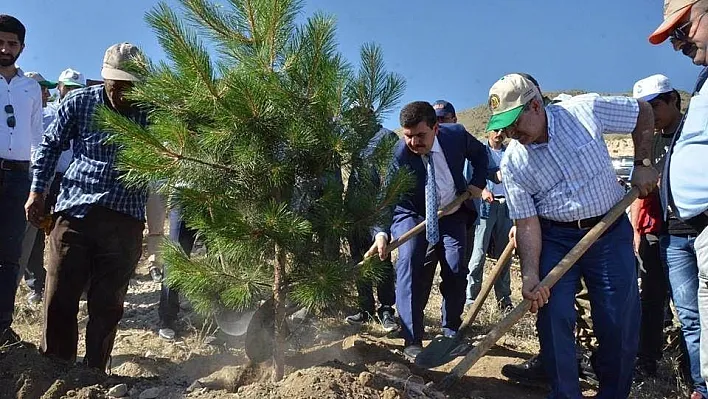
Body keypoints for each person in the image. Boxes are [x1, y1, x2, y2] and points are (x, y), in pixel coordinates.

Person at [490, 73, 656, 398]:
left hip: (608, 234)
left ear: (535, 105)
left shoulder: (585, 110)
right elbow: (526, 224)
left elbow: (643, 113)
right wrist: (530, 276)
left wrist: (643, 162)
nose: (510, 134)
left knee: (616, 319)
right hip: (555, 238)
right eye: (504, 127)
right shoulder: (513, 163)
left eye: (514, 123)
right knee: (552, 314)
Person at [25, 43, 149, 370]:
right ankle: (55, 369)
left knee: (108, 304)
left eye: (132, 85)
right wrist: (37, 192)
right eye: (117, 84)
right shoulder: (79, 103)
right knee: (60, 296)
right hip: (74, 213)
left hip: (125, 217)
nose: (124, 92)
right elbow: (50, 147)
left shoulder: (152, 114)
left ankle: (95, 372)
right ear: (104, 77)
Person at [370, 101, 487, 360]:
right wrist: (380, 232)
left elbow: (481, 155)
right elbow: (385, 198)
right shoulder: (399, 155)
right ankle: (412, 339)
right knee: (409, 262)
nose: (413, 142)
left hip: (452, 211)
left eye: (420, 135)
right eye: (408, 136)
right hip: (411, 213)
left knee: (456, 268)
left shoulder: (455, 135)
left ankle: (450, 333)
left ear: (436, 127)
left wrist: (477, 183)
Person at [649, 2, 708, 397]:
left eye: (683, 28)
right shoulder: (704, 82)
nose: (677, 43)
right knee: (695, 317)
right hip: (686, 230)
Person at [630, 74, 682, 381]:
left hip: (686, 231)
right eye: (643, 110)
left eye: (654, 106)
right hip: (653, 231)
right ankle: (646, 360)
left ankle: (691, 368)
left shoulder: (692, 132)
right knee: (650, 299)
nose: (650, 115)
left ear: (673, 99)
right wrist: (639, 230)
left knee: (688, 302)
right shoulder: (647, 140)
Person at [20, 69, 85, 305]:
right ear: (60, 88)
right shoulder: (46, 114)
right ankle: (37, 284)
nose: (71, 93)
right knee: (34, 232)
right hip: (43, 179)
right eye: (68, 88)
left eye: (77, 89)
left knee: (70, 233)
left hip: (71, 181)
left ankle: (76, 284)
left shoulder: (86, 117)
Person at [0, 15, 43, 346]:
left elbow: (38, 139)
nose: (5, 49)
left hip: (18, 177)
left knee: (11, 254)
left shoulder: (31, 87)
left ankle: (2, 326)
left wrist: (35, 185)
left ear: (22, 48)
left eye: (12, 43)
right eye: (0, 42)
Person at [344, 123, 399, 333]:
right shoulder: (355, 137)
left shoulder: (386, 138)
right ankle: (365, 308)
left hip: (377, 210)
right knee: (358, 258)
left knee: (381, 259)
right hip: (354, 211)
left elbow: (391, 179)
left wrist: (381, 213)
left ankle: (386, 310)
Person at [465, 128, 513, 311]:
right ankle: (471, 300)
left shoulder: (510, 152)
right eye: (495, 130)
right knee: (478, 254)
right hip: (485, 207)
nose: (499, 133)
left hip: (507, 206)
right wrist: (482, 190)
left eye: (502, 130)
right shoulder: (480, 152)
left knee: (504, 256)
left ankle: (504, 300)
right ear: (488, 132)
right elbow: (470, 177)